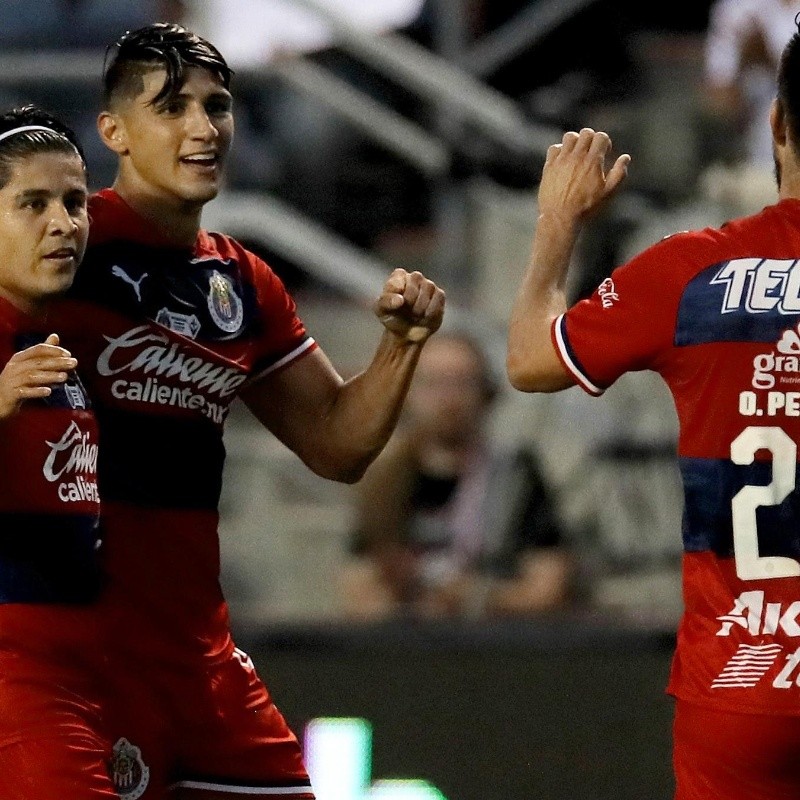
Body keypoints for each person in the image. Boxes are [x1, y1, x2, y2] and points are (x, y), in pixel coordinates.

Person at [51, 21, 445, 800]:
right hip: (84, 660)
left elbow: (338, 445)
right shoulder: (66, 254)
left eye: (218, 106)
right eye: (171, 107)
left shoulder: (242, 283)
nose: (204, 129)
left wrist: (400, 345)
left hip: (201, 659)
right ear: (114, 131)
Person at [507, 17, 800, 799]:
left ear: (773, 123)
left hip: (739, 679)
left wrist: (559, 223)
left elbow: (531, 360)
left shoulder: (692, 271)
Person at [0, 106, 115, 797]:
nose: (63, 223)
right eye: (32, 204)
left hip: (80, 673)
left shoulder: (58, 348)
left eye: (75, 202)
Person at [340, 329, 572, 620]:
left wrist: (473, 598)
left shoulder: (515, 476)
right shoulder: (386, 482)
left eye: (462, 384)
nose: (448, 400)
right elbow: (358, 588)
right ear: (408, 394)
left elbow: (548, 588)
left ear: (486, 394)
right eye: (434, 384)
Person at [701, 0, 800, 214]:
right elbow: (718, 106)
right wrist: (744, 61)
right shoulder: (737, 9)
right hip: (761, 166)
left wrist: (770, 59)